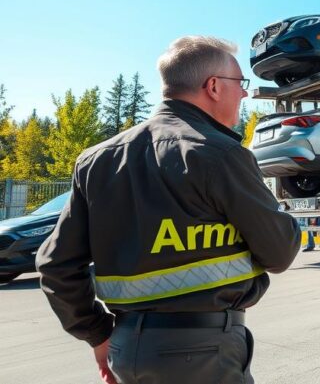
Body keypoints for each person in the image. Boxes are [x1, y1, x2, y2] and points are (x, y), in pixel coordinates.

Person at [36, 36, 301, 384]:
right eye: (241, 84)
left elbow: (56, 265)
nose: (245, 94)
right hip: (204, 352)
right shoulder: (220, 154)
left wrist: (97, 335)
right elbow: (279, 252)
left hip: (126, 349)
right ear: (214, 87)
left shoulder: (95, 161)